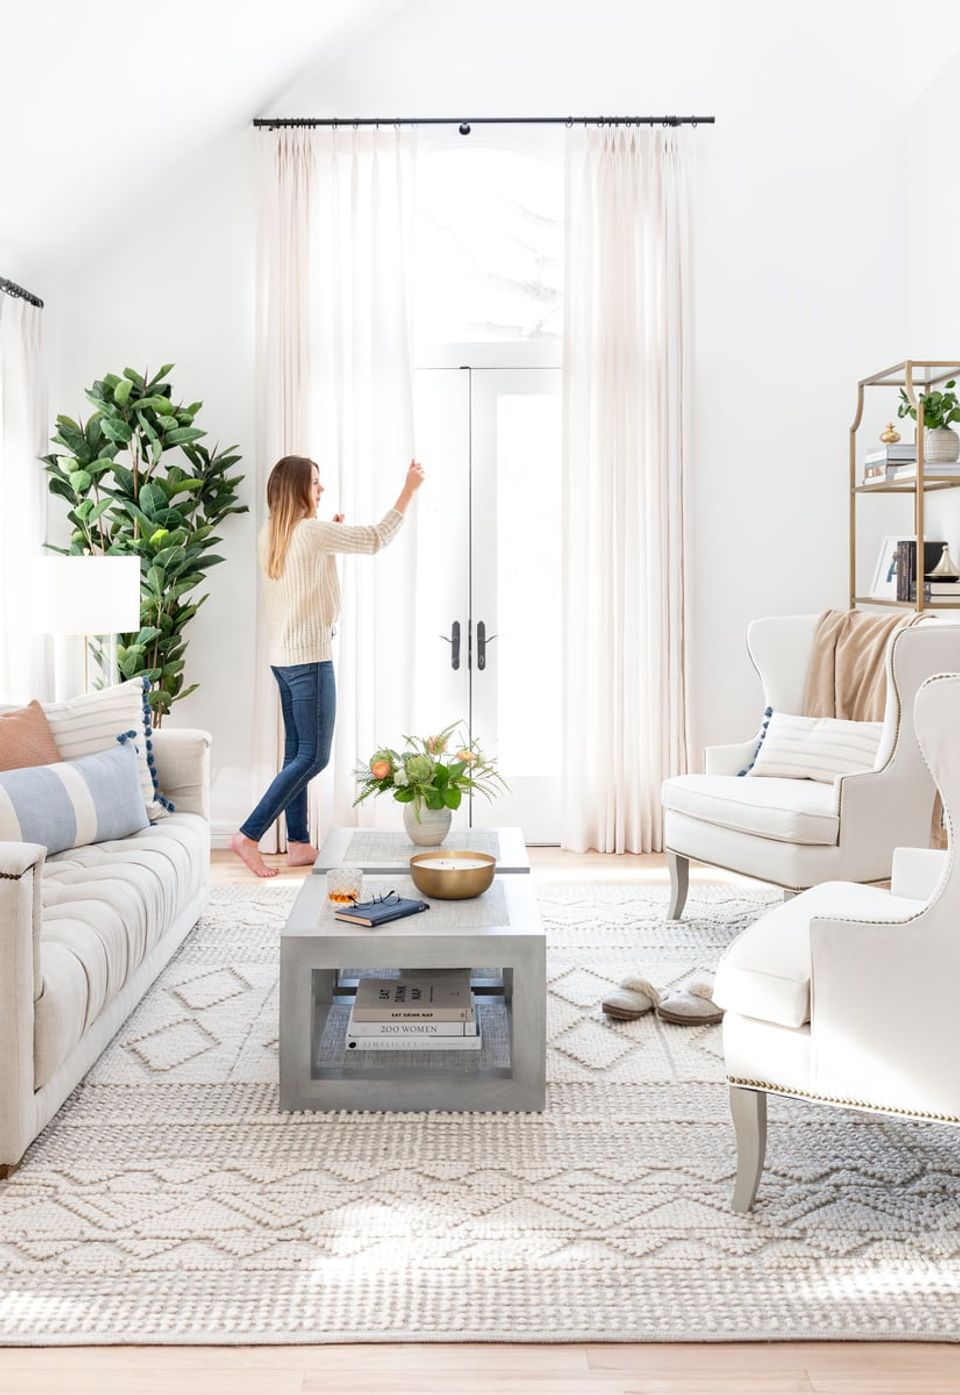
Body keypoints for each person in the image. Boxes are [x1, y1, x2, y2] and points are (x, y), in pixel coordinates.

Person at [231, 455, 425, 878]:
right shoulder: (312, 533)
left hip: (282, 659)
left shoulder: (272, 534)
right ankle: (249, 835)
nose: (321, 489)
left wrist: (330, 538)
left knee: (295, 754)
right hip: (310, 659)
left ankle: (298, 842)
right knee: (314, 757)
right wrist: (408, 490)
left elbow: (307, 579)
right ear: (298, 488)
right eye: (315, 482)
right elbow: (376, 538)